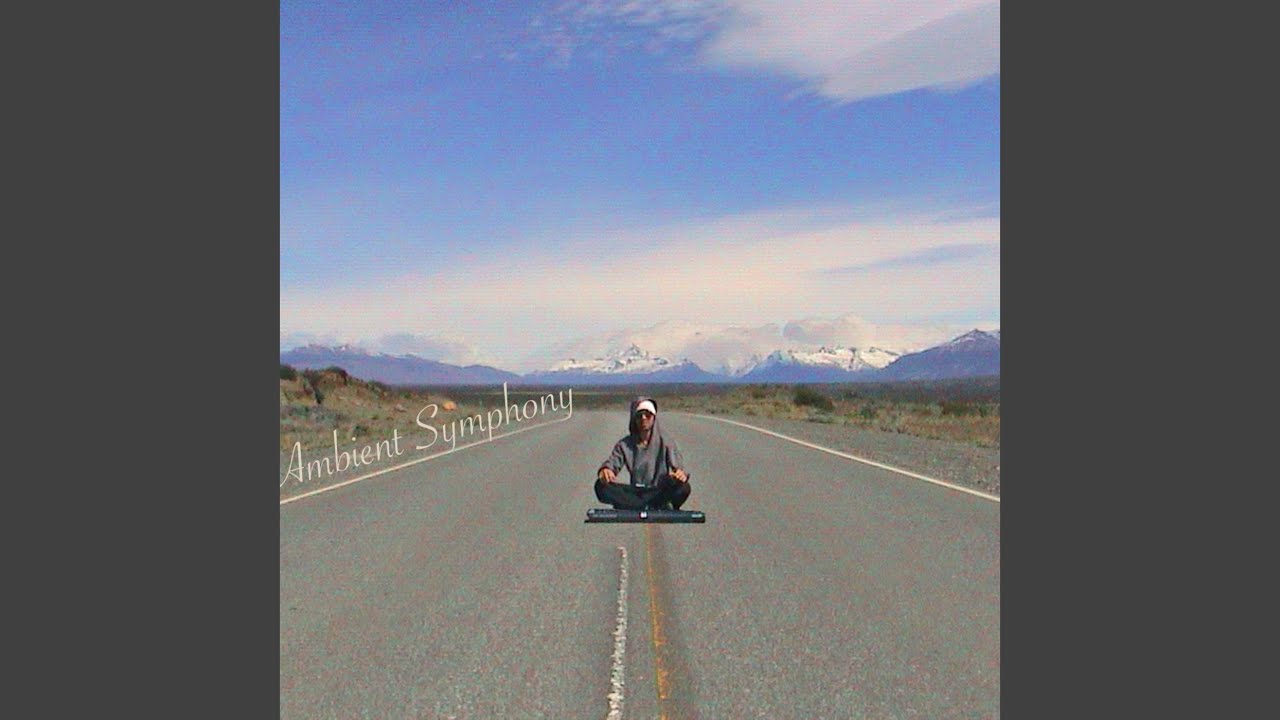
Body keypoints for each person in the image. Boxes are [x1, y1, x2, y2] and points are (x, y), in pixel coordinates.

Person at [595, 396, 692, 510]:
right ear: (634, 419)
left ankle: (634, 505)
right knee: (600, 486)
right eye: (639, 415)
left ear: (654, 418)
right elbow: (612, 463)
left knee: (684, 488)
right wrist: (606, 470)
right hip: (635, 492)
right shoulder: (624, 444)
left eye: (648, 415)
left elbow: (678, 469)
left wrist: (679, 475)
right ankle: (652, 505)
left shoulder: (666, 441)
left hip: (658, 491)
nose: (643, 418)